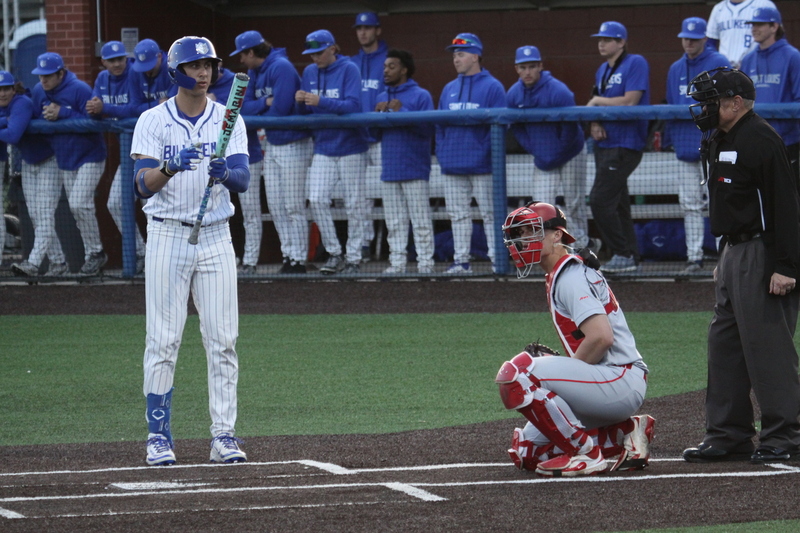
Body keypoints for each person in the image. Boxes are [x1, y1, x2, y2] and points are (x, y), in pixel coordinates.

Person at [131, 36, 250, 466]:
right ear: (177, 71)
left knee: (223, 340)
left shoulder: (228, 118)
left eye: (209, 66)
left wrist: (225, 174)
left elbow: (243, 178)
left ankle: (224, 435)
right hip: (166, 234)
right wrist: (169, 167)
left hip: (217, 235)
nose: (203, 73)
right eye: (195, 65)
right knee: (163, 340)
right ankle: (158, 436)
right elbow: (141, 184)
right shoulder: (152, 120)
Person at [683, 67, 800, 464]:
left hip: (763, 255)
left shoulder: (760, 139)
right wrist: (724, 256)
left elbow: (785, 207)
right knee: (725, 347)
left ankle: (784, 436)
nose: (702, 109)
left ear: (735, 103)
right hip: (733, 252)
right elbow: (733, 207)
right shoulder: (721, 138)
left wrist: (786, 266)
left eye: (709, 101)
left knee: (768, 348)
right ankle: (728, 434)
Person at [496, 201, 654, 476]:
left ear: (557, 234)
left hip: (620, 378)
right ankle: (624, 433)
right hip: (611, 380)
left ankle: (586, 454)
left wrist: (568, 372)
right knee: (526, 452)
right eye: (519, 235)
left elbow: (601, 338)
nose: (522, 241)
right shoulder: (561, 272)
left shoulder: (570, 276)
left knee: (518, 374)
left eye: (531, 232)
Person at [231, 30, 312, 275]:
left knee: (293, 205)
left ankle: (299, 259)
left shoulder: (282, 67)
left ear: (252, 52)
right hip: (273, 145)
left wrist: (263, 109)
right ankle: (288, 256)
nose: (241, 60)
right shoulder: (255, 72)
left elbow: (281, 109)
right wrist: (263, 104)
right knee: (276, 204)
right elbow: (242, 109)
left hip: (293, 142)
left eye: (242, 55)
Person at [296, 29, 368, 275]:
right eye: (311, 53)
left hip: (351, 146)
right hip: (324, 145)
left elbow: (353, 105)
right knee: (316, 198)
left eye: (319, 52)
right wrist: (301, 101)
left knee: (355, 203)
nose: (315, 58)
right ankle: (335, 253)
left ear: (332, 48)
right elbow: (307, 112)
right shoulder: (309, 72)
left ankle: (354, 258)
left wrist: (320, 101)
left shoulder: (349, 69)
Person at [506, 45, 591, 250]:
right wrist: (536, 150)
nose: (528, 71)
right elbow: (517, 129)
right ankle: (547, 250)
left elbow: (571, 130)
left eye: (532, 66)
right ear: (517, 68)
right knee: (540, 206)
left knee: (574, 203)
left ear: (540, 66)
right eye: (523, 67)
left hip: (571, 152)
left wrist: (555, 154)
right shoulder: (514, 94)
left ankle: (580, 247)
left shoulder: (558, 90)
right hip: (543, 157)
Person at [30, 52, 108, 276]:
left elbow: (94, 121)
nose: (43, 80)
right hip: (64, 158)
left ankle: (96, 252)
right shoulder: (38, 92)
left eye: (48, 75)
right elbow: (34, 119)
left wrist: (63, 112)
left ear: (61, 73)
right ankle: (91, 256)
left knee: (78, 204)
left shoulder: (79, 88)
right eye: (40, 76)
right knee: (78, 210)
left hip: (90, 156)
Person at [436, 32, 506, 274]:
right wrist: (444, 155)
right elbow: (440, 127)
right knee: (457, 215)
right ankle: (461, 262)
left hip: (483, 166)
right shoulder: (449, 88)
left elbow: (499, 128)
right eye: (454, 54)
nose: (456, 59)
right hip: (453, 165)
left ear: (475, 56)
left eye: (461, 54)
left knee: (491, 214)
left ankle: (499, 261)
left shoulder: (493, 86)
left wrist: (482, 154)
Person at [664, 18, 729, 274]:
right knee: (689, 203)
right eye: (685, 38)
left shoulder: (717, 62)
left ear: (705, 38)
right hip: (684, 144)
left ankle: (723, 255)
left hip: (714, 143)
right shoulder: (675, 68)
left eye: (694, 38)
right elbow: (671, 105)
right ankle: (694, 257)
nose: (688, 42)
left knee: (718, 200)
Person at [586, 21, 650, 273]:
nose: (601, 43)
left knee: (600, 200)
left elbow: (631, 101)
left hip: (627, 142)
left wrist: (596, 102)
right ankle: (631, 256)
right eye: (599, 39)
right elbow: (596, 108)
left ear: (621, 42)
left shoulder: (636, 62)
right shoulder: (602, 69)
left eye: (608, 39)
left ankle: (622, 252)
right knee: (618, 202)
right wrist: (594, 121)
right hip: (604, 142)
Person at [86, 41, 147, 275]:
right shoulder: (102, 79)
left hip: (153, 151)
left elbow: (135, 109)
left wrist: (106, 109)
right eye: (112, 60)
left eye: (120, 58)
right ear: (103, 62)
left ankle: (163, 257)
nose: (117, 63)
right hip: (129, 152)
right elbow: (94, 110)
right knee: (115, 204)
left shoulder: (134, 72)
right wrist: (94, 108)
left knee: (153, 206)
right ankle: (143, 253)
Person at [375, 49, 435, 275]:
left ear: (404, 69)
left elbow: (428, 129)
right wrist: (376, 115)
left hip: (415, 168)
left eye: (391, 66)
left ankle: (425, 264)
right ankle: (397, 263)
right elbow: (373, 136)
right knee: (394, 222)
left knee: (420, 221)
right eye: (385, 67)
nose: (386, 71)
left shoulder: (421, 95)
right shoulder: (380, 96)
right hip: (390, 169)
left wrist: (404, 111)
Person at [1, 71, 66, 277]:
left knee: (45, 215)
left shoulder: (21, 102)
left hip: (50, 161)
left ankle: (33, 263)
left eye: (6, 89)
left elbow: (12, 135)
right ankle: (58, 263)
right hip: (29, 164)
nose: (2, 93)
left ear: (14, 89)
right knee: (36, 216)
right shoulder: (5, 107)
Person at [741, 6, 800, 179]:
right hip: (755, 141)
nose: (754, 28)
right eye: (752, 24)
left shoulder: (792, 56)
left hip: (786, 142)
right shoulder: (748, 59)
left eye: (760, 24)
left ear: (774, 27)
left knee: (788, 198)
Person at [352, 11, 389, 262]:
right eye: (359, 28)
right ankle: (364, 245)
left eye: (368, 28)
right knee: (360, 196)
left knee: (390, 194)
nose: (363, 32)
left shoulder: (389, 58)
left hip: (383, 138)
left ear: (377, 30)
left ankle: (394, 247)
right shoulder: (350, 62)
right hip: (357, 139)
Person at [706, 0, 777, 68]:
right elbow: (710, 43)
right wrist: (719, 64)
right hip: (725, 69)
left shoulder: (764, 4)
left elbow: (777, 37)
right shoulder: (718, 8)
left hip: (755, 66)